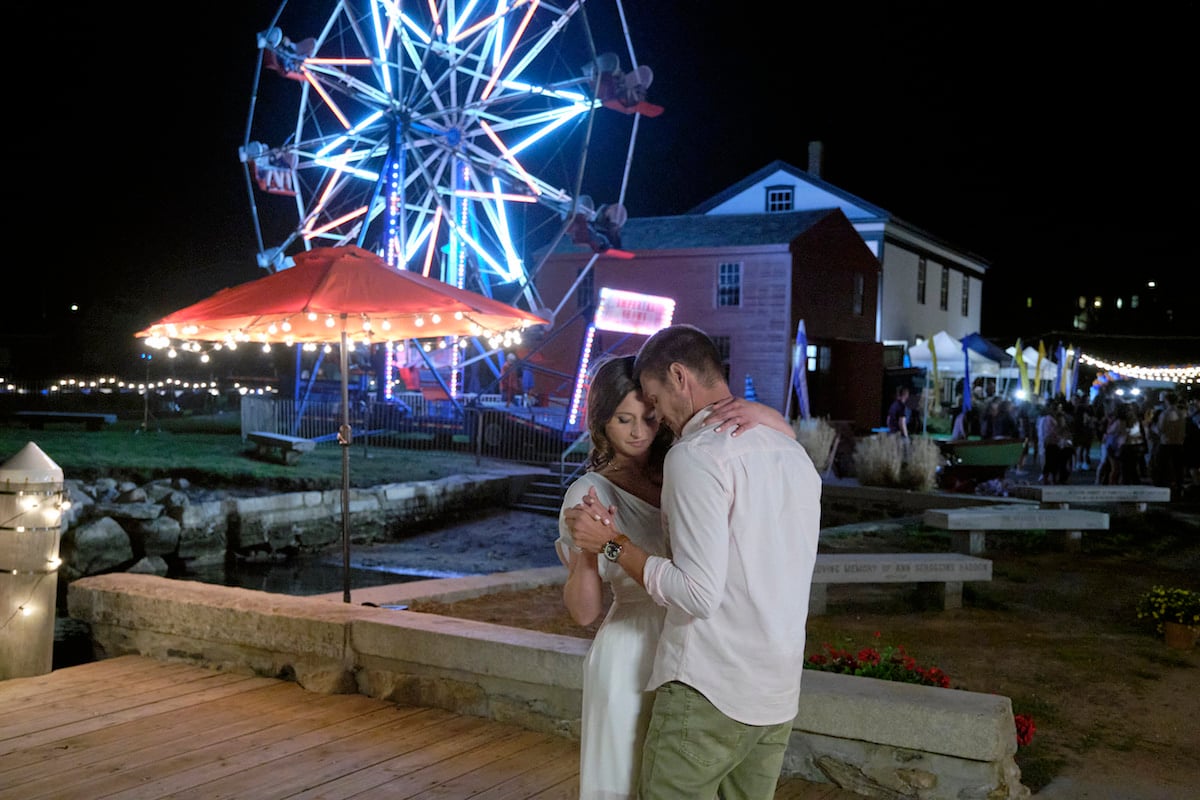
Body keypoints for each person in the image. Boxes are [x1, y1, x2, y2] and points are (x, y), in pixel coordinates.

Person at [566, 325, 821, 800]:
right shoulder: (790, 452)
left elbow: (699, 593)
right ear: (603, 423)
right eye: (627, 417)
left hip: (707, 681)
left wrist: (615, 543)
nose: (651, 420)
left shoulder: (694, 459)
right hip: (773, 690)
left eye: (653, 403)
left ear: (679, 377)